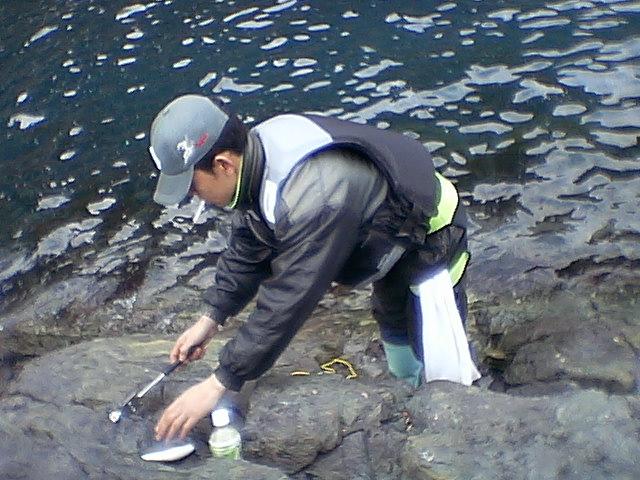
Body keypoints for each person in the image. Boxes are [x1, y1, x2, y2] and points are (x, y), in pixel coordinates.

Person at [149, 94, 477, 441]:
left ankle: (451, 425)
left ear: (223, 165)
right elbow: (249, 246)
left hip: (431, 236)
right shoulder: (255, 158)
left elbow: (289, 299)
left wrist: (220, 381)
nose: (193, 197)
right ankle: (406, 391)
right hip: (379, 232)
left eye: (192, 186)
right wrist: (211, 317)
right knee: (391, 315)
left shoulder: (314, 195)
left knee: (434, 343)